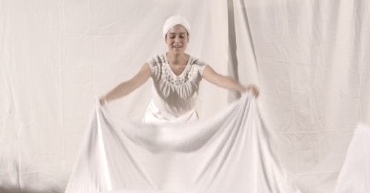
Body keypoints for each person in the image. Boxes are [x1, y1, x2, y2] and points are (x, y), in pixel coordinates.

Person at [97, 15, 260, 123]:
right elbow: (132, 83)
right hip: (156, 125)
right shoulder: (155, 64)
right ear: (165, 39)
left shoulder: (196, 66)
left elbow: (219, 78)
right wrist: (106, 98)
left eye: (182, 36)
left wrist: (244, 88)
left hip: (187, 124)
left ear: (188, 39)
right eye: (172, 36)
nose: (177, 40)